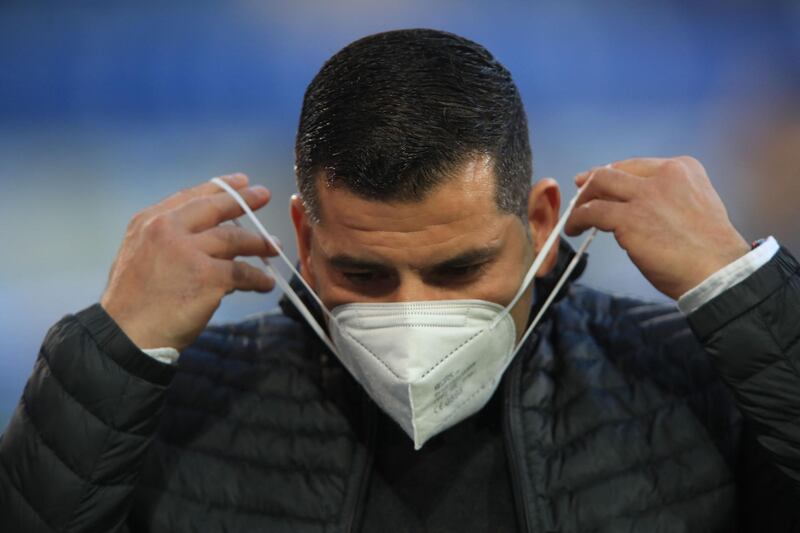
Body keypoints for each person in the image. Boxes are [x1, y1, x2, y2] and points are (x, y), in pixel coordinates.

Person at [1, 28, 798, 533]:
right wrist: (111, 350)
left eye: (460, 268)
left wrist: (743, 288)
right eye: (366, 274)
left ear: (541, 222)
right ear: (305, 241)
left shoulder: (691, 374)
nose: (416, 316)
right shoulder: (181, 399)